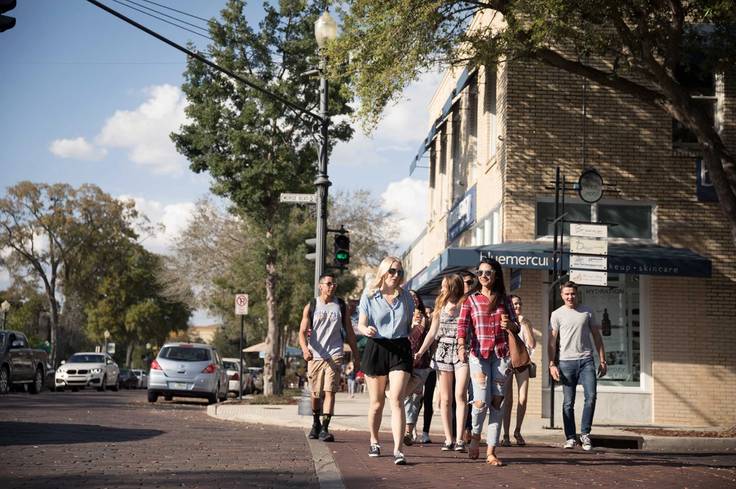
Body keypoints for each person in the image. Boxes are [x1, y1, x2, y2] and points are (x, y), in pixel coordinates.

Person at [457, 257, 520, 466]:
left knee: (496, 403)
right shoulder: (471, 299)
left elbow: (517, 327)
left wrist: (509, 324)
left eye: (488, 272)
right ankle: (475, 436)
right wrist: (460, 348)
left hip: (502, 356)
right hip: (478, 355)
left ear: (496, 275)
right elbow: (462, 326)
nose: (483, 276)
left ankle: (491, 451)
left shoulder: (505, 299)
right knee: (481, 401)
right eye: (480, 273)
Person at [357, 256, 414, 465]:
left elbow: (409, 326)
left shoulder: (407, 297)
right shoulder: (370, 295)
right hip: (376, 347)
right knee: (376, 403)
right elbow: (361, 324)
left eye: (399, 272)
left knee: (397, 399)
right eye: (392, 271)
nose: (396, 275)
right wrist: (365, 329)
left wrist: (417, 328)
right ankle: (374, 439)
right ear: (383, 272)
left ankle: (398, 450)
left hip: (400, 348)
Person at [299, 272, 360, 443]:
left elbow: (349, 331)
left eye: (334, 284)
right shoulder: (311, 305)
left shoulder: (340, 305)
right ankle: (316, 423)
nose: (332, 286)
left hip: (334, 354)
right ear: (320, 286)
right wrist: (305, 350)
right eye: (328, 283)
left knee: (330, 391)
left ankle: (325, 428)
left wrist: (356, 356)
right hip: (315, 355)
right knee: (316, 394)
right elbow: (302, 332)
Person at [549, 281, 607, 451]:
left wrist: (602, 360)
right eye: (566, 294)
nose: (570, 297)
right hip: (566, 362)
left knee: (591, 396)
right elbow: (552, 341)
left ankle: (585, 434)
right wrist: (552, 363)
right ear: (561, 295)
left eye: (573, 293)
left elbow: (597, 336)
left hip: (587, 360)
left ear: (577, 294)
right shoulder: (556, 314)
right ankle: (570, 437)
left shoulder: (587, 311)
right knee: (568, 403)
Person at [415, 274, 469, 452]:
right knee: (445, 398)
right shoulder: (440, 306)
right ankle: (448, 438)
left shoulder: (466, 304)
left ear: (453, 287)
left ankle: (460, 439)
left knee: (460, 395)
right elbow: (432, 333)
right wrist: (421, 351)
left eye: (445, 285)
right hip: (443, 351)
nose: (442, 289)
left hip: (462, 351)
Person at [501, 294, 537, 447]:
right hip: (507, 363)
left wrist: (526, 326)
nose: (517, 306)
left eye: (519, 304)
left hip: (522, 362)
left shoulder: (525, 322)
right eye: (514, 304)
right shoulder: (503, 322)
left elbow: (532, 344)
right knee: (507, 400)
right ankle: (506, 434)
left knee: (523, 398)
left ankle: (517, 430)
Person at [402, 291, 433, 447]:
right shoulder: (402, 315)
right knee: (405, 397)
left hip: (421, 365)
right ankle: (407, 429)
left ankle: (408, 431)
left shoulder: (424, 320)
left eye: (415, 298)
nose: (413, 300)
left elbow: (422, 338)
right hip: (403, 363)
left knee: (415, 399)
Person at [459, 270, 479, 444]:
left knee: (473, 393)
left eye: (471, 282)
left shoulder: (477, 301)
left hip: (475, 353)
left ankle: (469, 429)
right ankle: (455, 432)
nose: (469, 285)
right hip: (455, 354)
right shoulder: (454, 303)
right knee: (456, 396)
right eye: (466, 282)